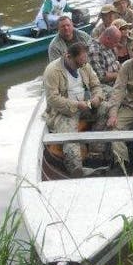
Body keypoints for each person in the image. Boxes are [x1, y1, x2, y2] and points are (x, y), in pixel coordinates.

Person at [43, 42, 108, 178]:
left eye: (85, 59)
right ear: (69, 57)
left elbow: (96, 85)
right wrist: (76, 104)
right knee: (69, 136)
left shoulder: (85, 66)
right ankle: (76, 170)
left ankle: (96, 153)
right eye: (81, 59)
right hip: (64, 111)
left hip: (85, 105)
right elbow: (52, 99)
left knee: (105, 109)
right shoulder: (52, 71)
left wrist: (97, 97)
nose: (84, 62)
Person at [88, 26, 122, 97]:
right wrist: (120, 75)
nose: (117, 44)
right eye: (115, 42)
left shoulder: (108, 46)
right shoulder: (95, 51)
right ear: (108, 39)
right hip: (104, 87)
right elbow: (101, 77)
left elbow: (115, 63)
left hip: (116, 81)